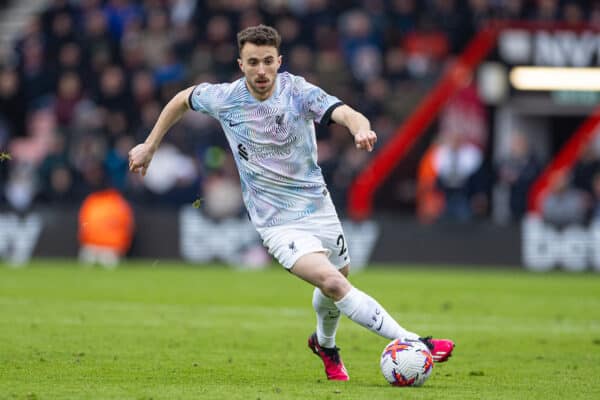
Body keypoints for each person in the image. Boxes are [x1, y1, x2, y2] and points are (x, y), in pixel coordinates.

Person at [128, 24, 454, 381]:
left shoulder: (298, 92)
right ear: (241, 64)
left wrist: (359, 128)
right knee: (332, 283)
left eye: (268, 61)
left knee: (334, 287)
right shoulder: (225, 98)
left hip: (318, 207)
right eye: (253, 62)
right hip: (275, 222)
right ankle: (416, 341)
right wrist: (150, 145)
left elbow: (346, 112)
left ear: (279, 61)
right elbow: (182, 99)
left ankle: (325, 345)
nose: (262, 70)